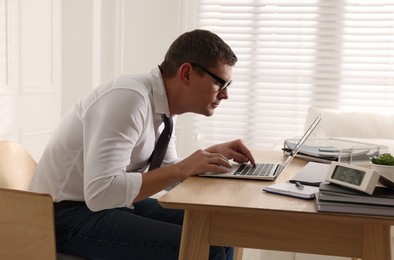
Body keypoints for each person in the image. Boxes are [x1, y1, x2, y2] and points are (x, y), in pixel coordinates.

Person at [30, 29, 256, 260]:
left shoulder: (164, 105)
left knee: (221, 228)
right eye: (221, 83)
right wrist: (185, 166)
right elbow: (101, 192)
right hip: (64, 216)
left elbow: (165, 171)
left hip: (106, 205)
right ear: (186, 73)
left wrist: (208, 156)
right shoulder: (128, 99)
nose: (226, 95)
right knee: (209, 250)